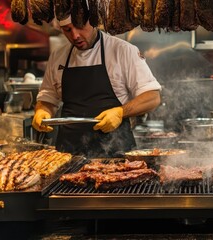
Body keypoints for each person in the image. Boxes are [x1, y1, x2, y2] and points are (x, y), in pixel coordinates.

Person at [32, 12, 162, 158]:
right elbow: (48, 98)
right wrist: (42, 111)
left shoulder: (122, 50)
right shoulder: (58, 56)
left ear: (93, 22)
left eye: (80, 27)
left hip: (116, 154)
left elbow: (152, 97)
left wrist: (120, 112)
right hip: (68, 155)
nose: (75, 36)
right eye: (68, 30)